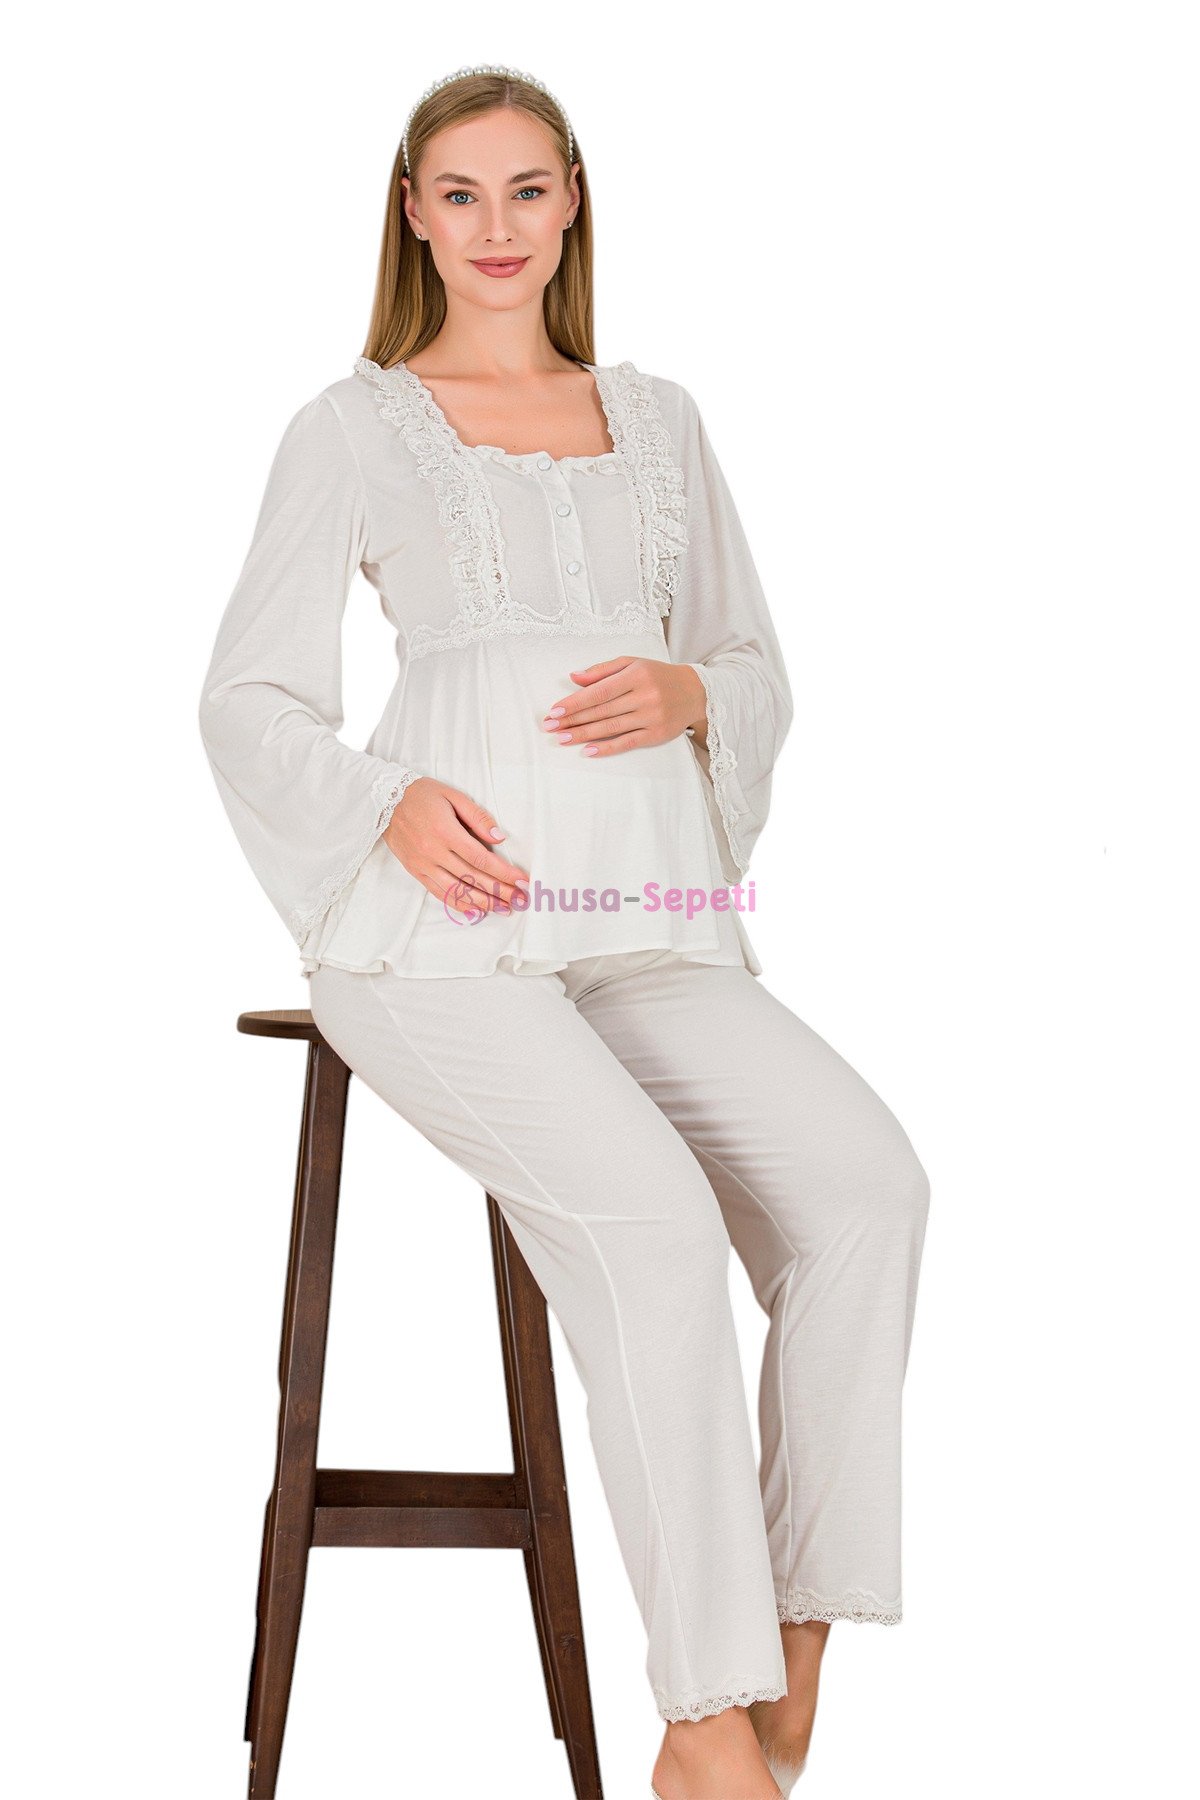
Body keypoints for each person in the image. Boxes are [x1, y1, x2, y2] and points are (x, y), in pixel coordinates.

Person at [197, 65, 932, 1800]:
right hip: (432, 945)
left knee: (867, 1191)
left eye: (527, 189)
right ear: (412, 214)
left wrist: (693, 691)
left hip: (648, 926)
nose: (496, 226)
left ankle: (787, 1675)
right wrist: (387, 802)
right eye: (459, 194)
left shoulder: (660, 420)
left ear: (574, 199)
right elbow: (246, 699)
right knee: (656, 1231)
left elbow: (751, 666)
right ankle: (705, 1726)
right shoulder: (354, 426)